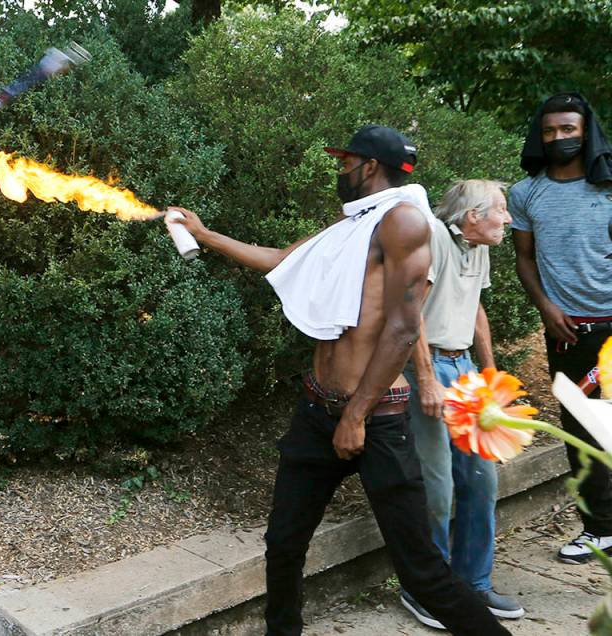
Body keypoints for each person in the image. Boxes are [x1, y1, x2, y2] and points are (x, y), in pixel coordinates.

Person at [170, 125, 510, 636]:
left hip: (376, 420)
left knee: (423, 571)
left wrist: (355, 416)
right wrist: (205, 235)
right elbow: (283, 259)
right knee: (284, 543)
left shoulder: (404, 223)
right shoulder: (355, 225)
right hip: (316, 410)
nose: (340, 171)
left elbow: (402, 328)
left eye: (344, 162)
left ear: (368, 165)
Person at [398, 179, 523, 628]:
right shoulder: (433, 235)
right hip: (426, 367)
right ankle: (425, 588)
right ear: (473, 216)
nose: (508, 219)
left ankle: (473, 584)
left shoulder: (480, 245)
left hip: (464, 367)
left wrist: (490, 376)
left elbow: (475, 309)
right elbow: (410, 309)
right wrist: (427, 377)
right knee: (438, 487)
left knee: (481, 479)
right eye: (501, 210)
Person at [510, 92, 612, 564]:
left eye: (568, 129)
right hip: (567, 332)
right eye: (550, 131)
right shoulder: (525, 193)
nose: (559, 138)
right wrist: (546, 308)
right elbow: (525, 259)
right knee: (582, 427)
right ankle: (599, 530)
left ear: (586, 131)